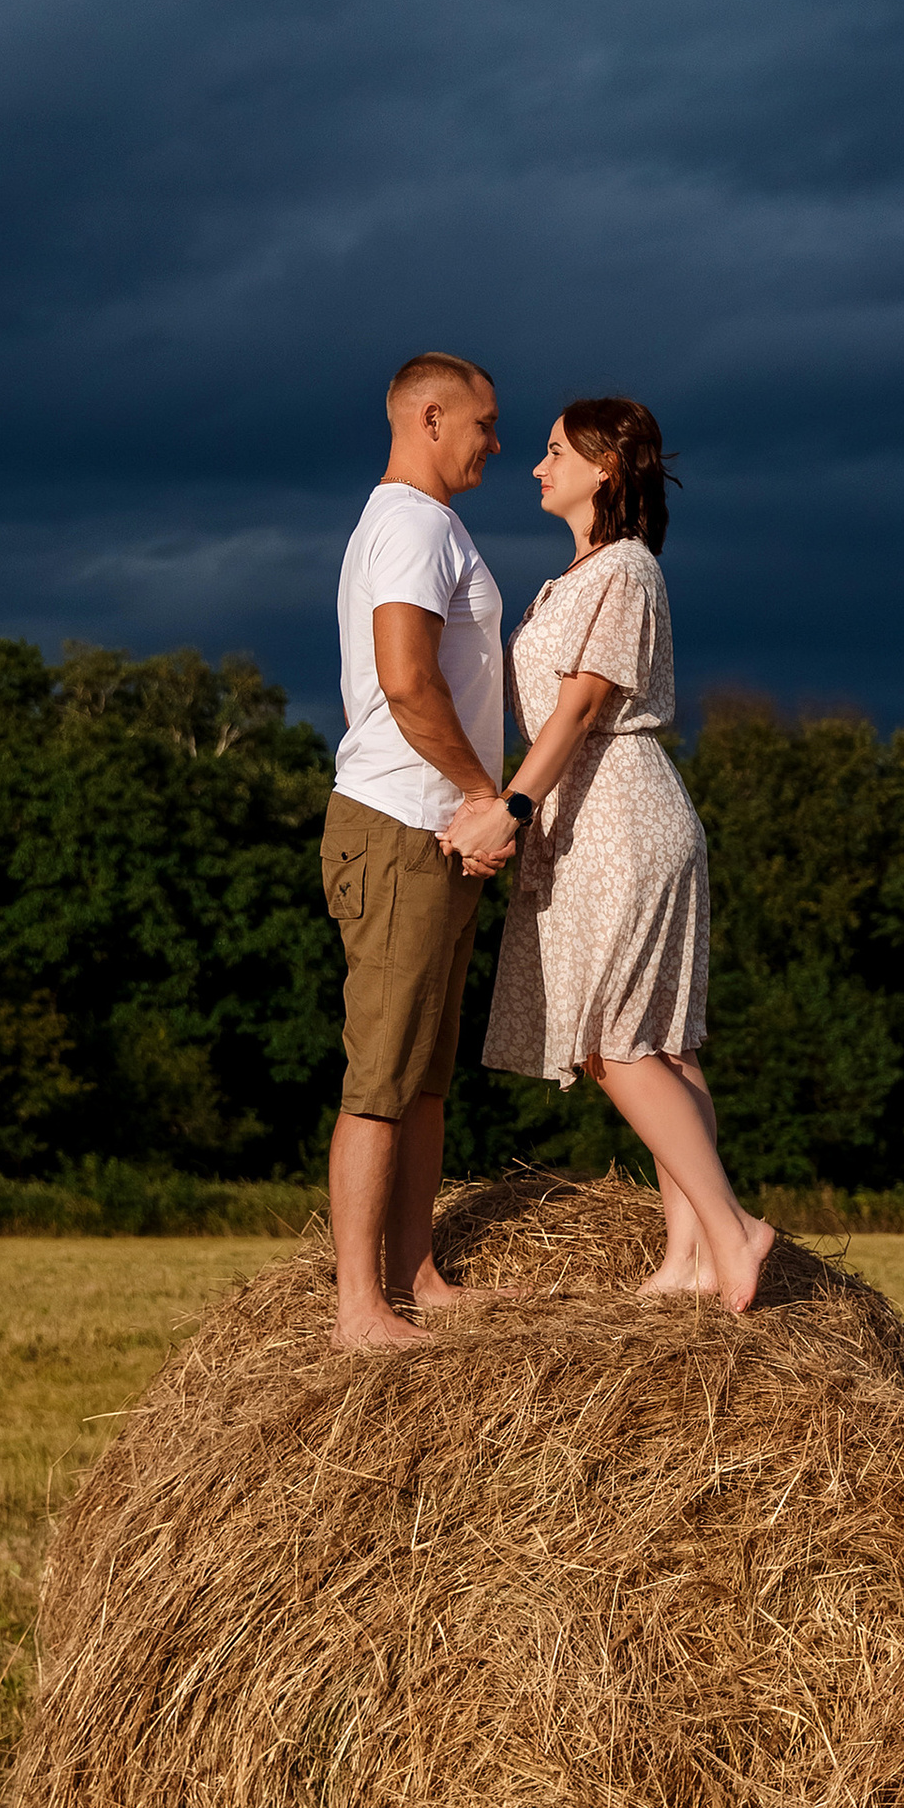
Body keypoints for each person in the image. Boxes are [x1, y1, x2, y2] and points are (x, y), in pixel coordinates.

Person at [452, 395, 775, 1314]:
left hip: (621, 813)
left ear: (605, 466)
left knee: (615, 1035)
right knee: (661, 1042)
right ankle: (688, 1258)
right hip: (589, 819)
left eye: (553, 450)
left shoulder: (625, 569)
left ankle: (732, 1231)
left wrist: (514, 804)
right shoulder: (579, 575)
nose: (534, 464)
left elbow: (583, 706)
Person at [323, 352, 510, 1350]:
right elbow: (405, 678)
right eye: (484, 423)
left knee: (425, 1075)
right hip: (401, 823)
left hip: (427, 831)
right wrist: (488, 794)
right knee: (383, 1074)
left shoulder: (423, 523)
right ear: (432, 417)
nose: (495, 442)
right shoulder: (409, 523)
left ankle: (418, 1277)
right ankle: (360, 1307)